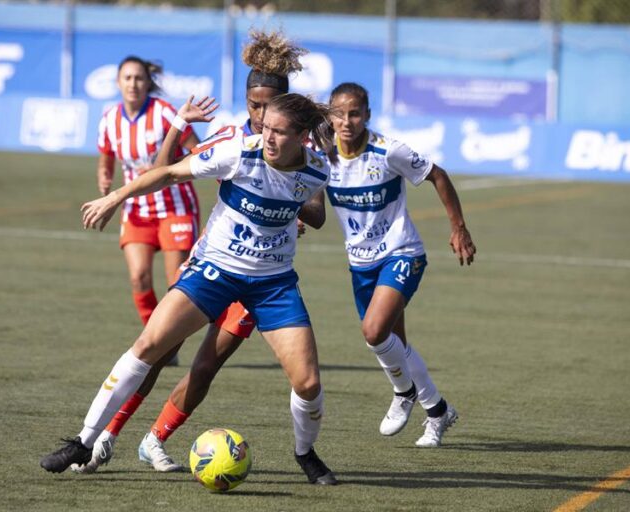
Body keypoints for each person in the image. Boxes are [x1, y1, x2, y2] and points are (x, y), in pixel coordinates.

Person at [41, 92, 339, 486]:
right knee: (149, 346)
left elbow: (309, 210)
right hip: (215, 270)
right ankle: (85, 440)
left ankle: (305, 453)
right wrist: (115, 196)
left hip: (273, 283)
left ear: (301, 136)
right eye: (265, 127)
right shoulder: (237, 151)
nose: (267, 137)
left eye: (279, 132)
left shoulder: (318, 170)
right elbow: (168, 173)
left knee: (308, 382)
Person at [326, 82, 476, 447]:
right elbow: (309, 198)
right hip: (360, 264)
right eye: (340, 114)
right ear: (329, 116)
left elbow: (438, 175)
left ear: (368, 115)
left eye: (355, 113)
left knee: (374, 332)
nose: (347, 121)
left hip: (402, 253)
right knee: (396, 345)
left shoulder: (388, 151)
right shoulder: (322, 157)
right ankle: (438, 412)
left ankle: (403, 392)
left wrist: (459, 227)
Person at [98, 56, 201, 361]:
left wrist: (165, 168)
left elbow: (196, 151)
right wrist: (104, 177)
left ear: (147, 82)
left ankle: (167, 342)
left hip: (175, 207)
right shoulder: (108, 119)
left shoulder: (165, 113)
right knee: (138, 278)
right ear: (118, 82)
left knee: (176, 286)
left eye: (139, 78)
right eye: (127, 78)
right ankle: (157, 340)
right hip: (137, 211)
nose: (133, 84)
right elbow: (106, 157)